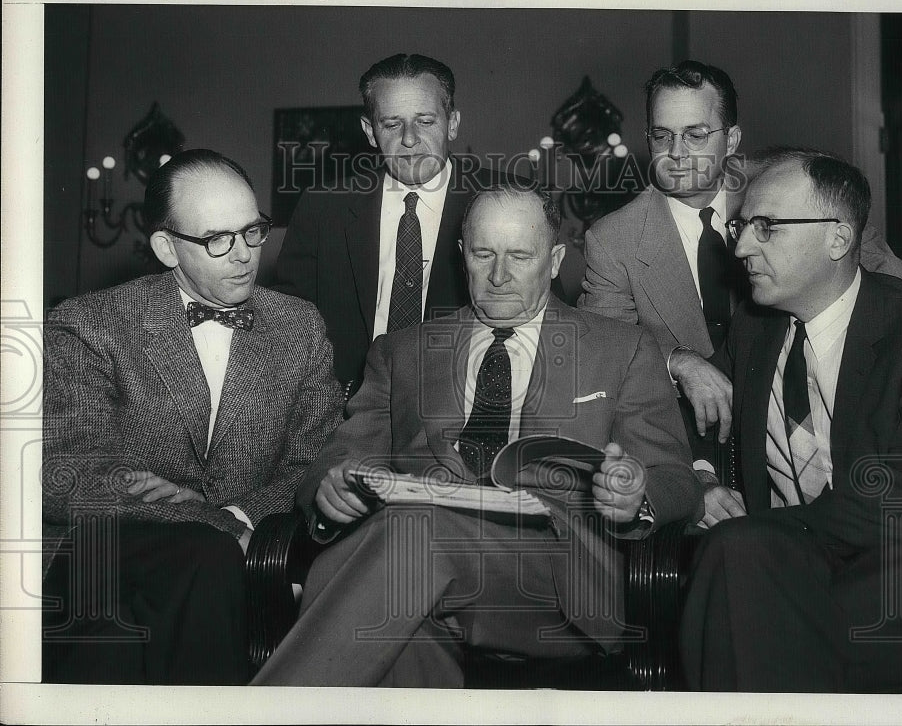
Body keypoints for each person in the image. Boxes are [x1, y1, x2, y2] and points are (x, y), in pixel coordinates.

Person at [252, 185, 702, 687]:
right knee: (398, 606)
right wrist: (332, 489)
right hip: (415, 574)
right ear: (461, 254)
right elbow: (339, 461)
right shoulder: (401, 352)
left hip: (560, 585)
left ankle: (268, 712)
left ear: (554, 261)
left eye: (520, 256)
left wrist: (636, 495)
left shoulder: (622, 349)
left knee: (403, 541)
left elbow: (678, 482)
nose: (499, 275)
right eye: (484, 254)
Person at [41, 149, 344, 684]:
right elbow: (69, 476)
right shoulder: (90, 325)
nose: (244, 255)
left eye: (253, 231)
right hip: (112, 548)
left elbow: (311, 458)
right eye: (216, 240)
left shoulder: (297, 326)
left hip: (237, 551)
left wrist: (247, 519)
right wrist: (218, 522)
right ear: (166, 248)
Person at [679, 148, 902, 692]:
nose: (740, 246)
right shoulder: (755, 327)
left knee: (734, 559)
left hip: (898, 585)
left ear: (837, 238)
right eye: (742, 225)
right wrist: (702, 480)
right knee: (736, 565)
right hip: (774, 568)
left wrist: (758, 531)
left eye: (766, 228)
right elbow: (693, 423)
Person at [577, 60, 902, 453]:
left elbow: (894, 285)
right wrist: (677, 361)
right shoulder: (613, 239)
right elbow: (601, 348)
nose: (675, 153)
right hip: (691, 446)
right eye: (661, 136)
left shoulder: (786, 189)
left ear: (732, 139)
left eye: (696, 135)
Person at [270, 53, 496, 396]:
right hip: (344, 413)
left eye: (425, 121)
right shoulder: (323, 207)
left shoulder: (506, 202)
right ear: (370, 131)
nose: (409, 138)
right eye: (392, 124)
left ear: (452, 124)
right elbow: (287, 325)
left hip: (463, 409)